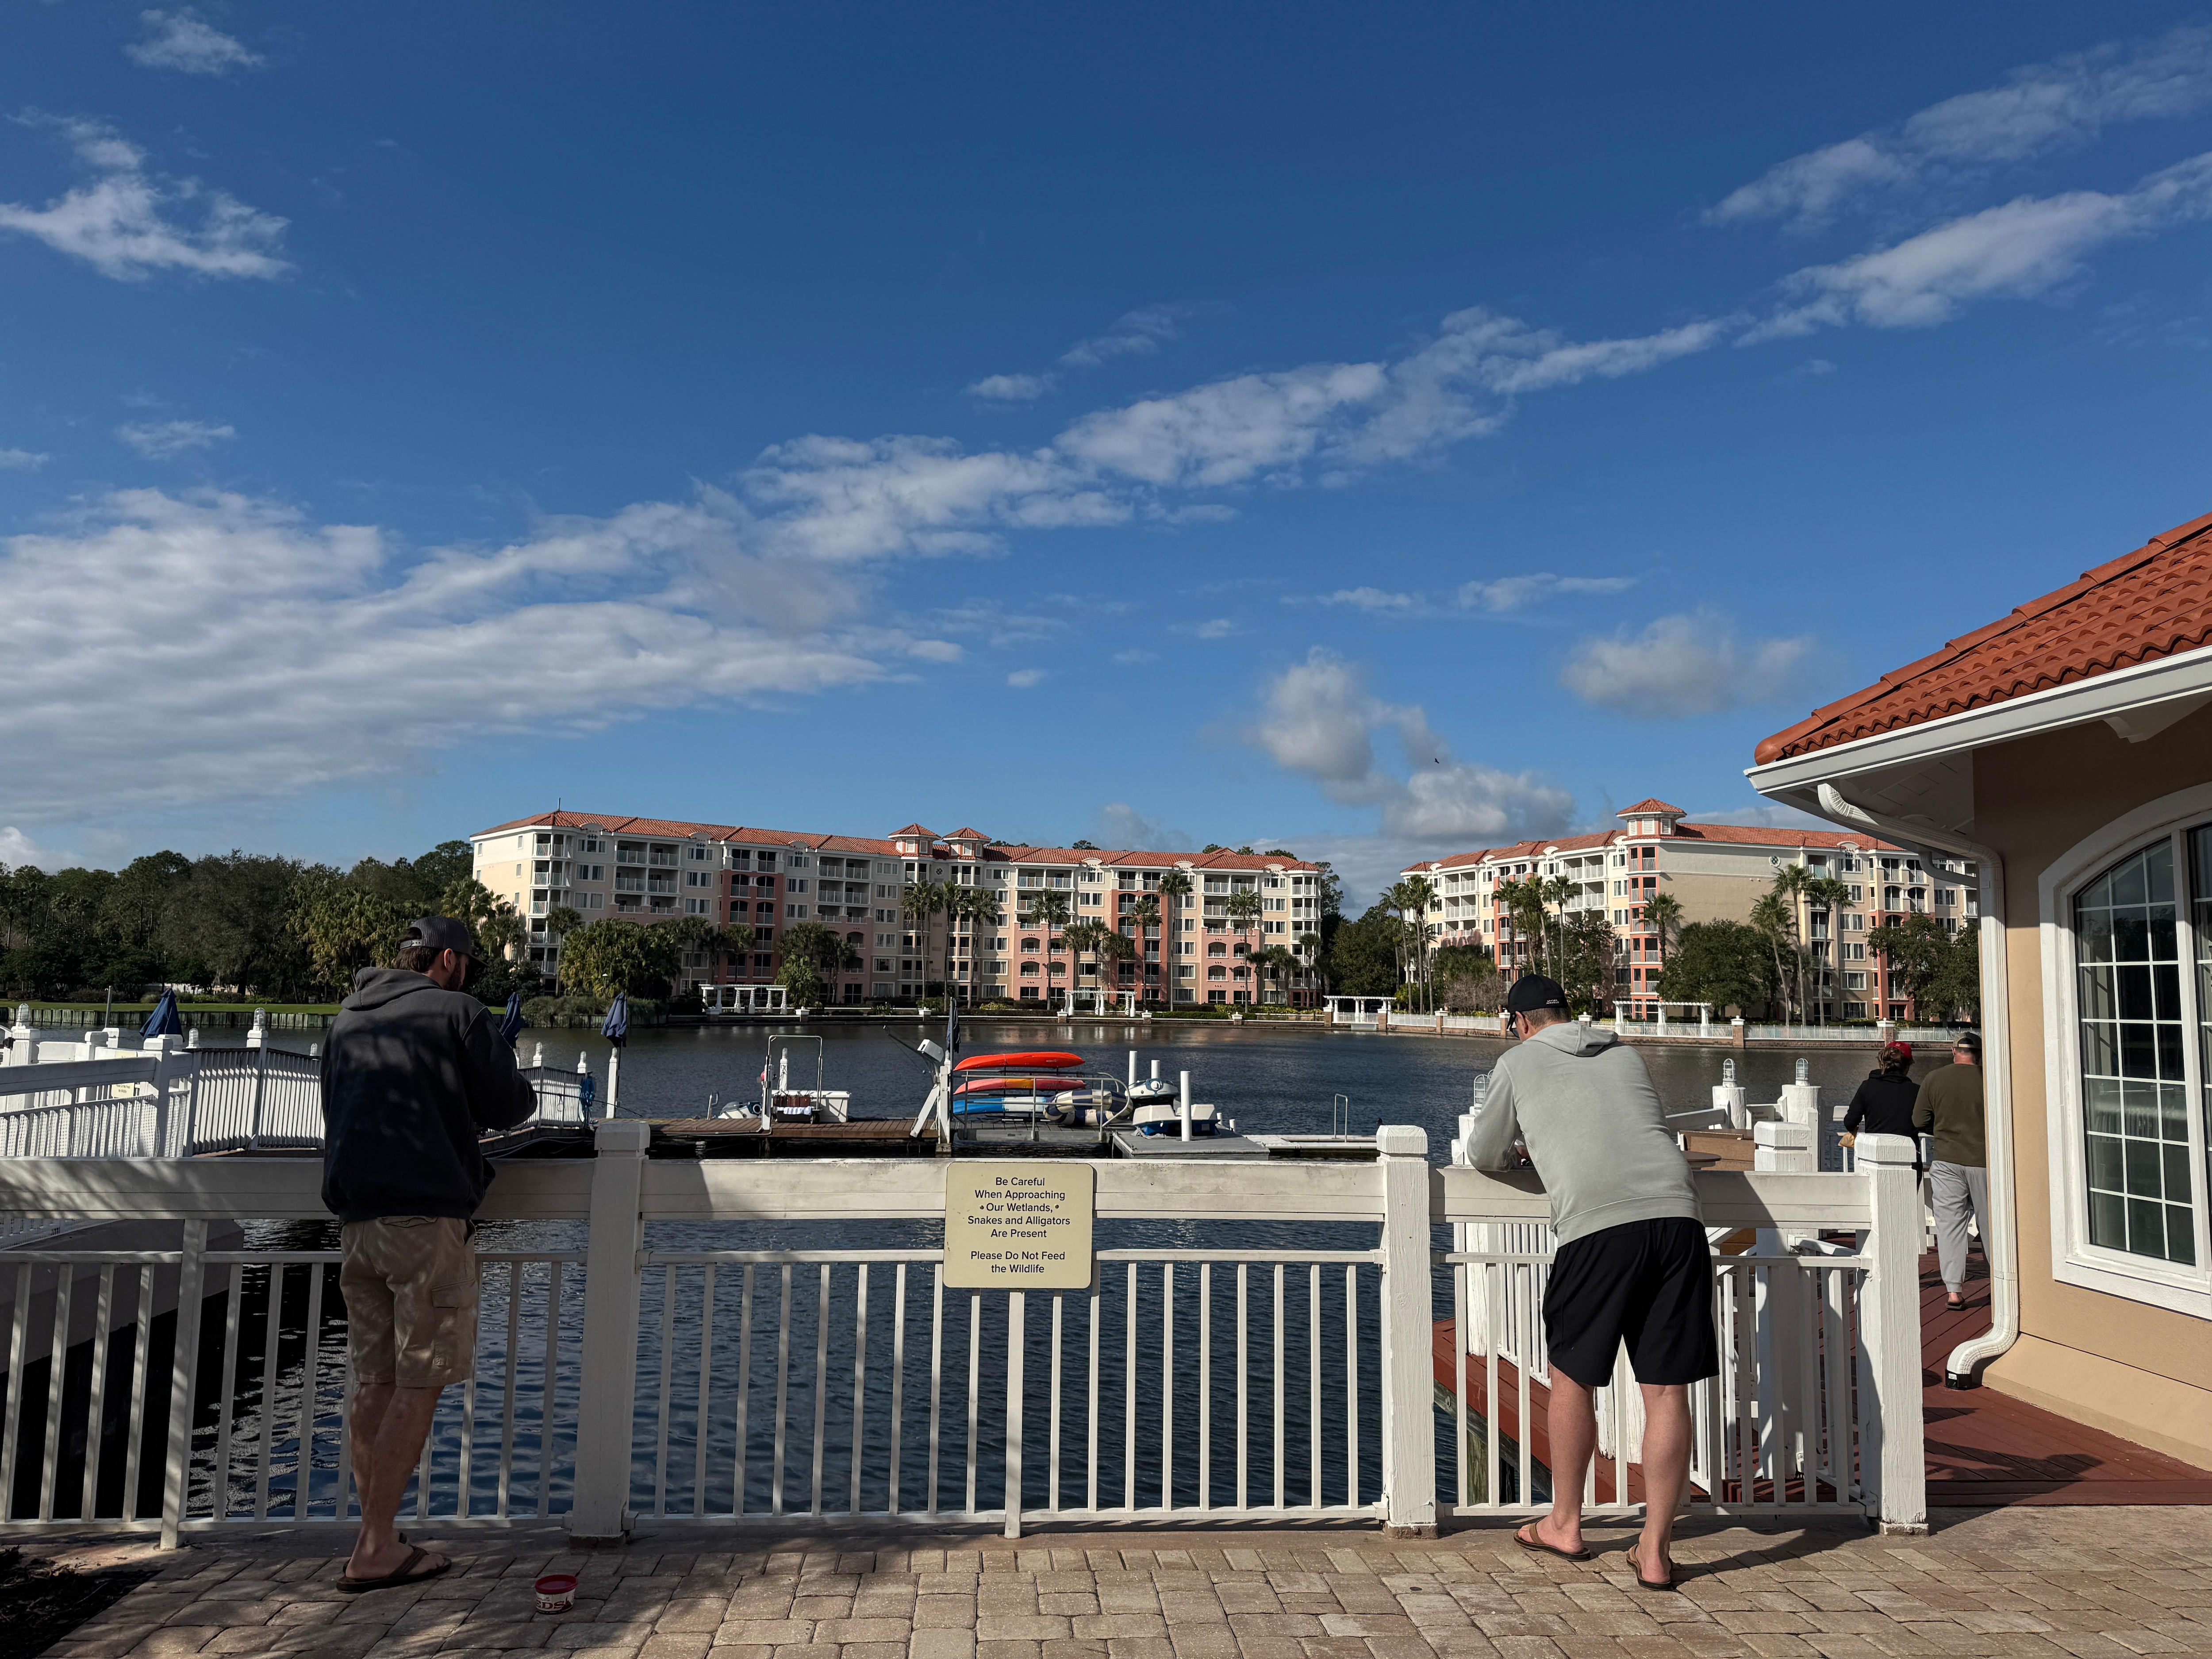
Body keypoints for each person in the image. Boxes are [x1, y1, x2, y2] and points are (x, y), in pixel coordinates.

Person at [1463, 976, 1715, 1592]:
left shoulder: (1518, 1061)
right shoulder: (1625, 1052)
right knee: (1665, 1391)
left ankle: (1566, 1522)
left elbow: (1484, 1152)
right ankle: (1654, 1551)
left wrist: (1525, 1153)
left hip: (1600, 1228)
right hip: (1678, 1220)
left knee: (1575, 1377)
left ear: (1518, 1021)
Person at [320, 917, 536, 1591]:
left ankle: (376, 1535)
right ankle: (376, 1545)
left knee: (374, 1384)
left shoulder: (345, 1021)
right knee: (418, 1384)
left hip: (357, 1222)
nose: (468, 971)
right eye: (466, 961)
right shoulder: (458, 1011)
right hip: (425, 1218)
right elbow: (513, 1106)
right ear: (448, 959)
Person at [1915, 1032, 1988, 1310]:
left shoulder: (1934, 1078)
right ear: (1979, 1054)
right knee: (1992, 1224)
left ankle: (1954, 1291)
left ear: (1954, 1051)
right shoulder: (1990, 1077)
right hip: (1985, 1161)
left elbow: (1919, 1119)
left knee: (1949, 1226)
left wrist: (1943, 1129)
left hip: (1946, 1161)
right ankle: (2001, 1280)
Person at [1840, 1043, 1920, 1153]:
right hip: (1909, 1156)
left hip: (1874, 1155)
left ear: (1882, 1062)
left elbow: (1850, 1122)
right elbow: (1927, 1124)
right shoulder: (1917, 1091)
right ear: (1907, 1066)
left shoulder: (1868, 1087)